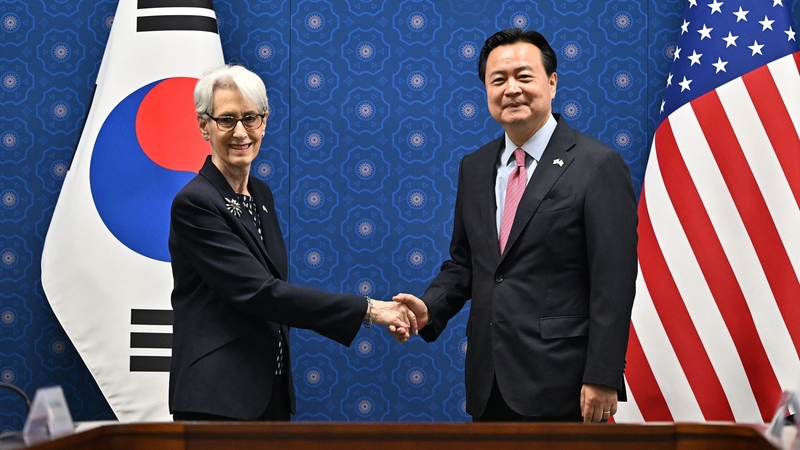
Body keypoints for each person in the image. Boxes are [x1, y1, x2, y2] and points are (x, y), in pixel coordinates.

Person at [391, 28, 638, 423]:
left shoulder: (597, 165)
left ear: (552, 82)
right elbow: (466, 264)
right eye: (498, 80)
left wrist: (603, 375)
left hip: (566, 384)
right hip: (489, 383)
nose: (511, 90)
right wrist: (429, 307)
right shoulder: (474, 167)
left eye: (524, 77)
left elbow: (615, 279)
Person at [168, 64, 416, 421]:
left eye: (250, 118)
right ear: (204, 125)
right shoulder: (195, 202)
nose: (240, 132)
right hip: (217, 399)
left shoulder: (260, 194)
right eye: (226, 120)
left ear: (264, 122)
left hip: (268, 393)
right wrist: (369, 309)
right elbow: (260, 293)